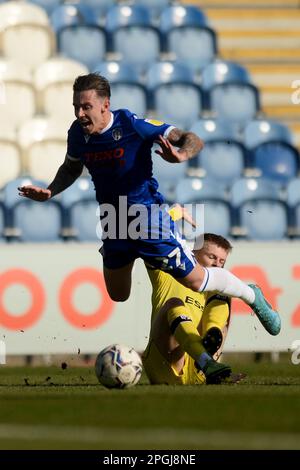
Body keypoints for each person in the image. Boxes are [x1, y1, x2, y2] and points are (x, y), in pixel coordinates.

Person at [18, 73, 281, 351]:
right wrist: (51, 190)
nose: (80, 113)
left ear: (105, 105)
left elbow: (192, 139)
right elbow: (71, 167)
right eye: (76, 107)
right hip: (114, 222)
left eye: (86, 107)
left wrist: (182, 154)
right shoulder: (77, 134)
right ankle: (148, 258)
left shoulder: (132, 125)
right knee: (119, 294)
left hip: (148, 218)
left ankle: (251, 295)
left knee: (196, 281)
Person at [143, 232, 243, 385]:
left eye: (222, 261)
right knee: (174, 303)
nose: (217, 264)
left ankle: (211, 341)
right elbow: (152, 236)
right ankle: (205, 359)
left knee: (224, 293)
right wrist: (175, 213)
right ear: (193, 253)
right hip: (163, 366)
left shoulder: (213, 291)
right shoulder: (168, 272)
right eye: (212, 257)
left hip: (199, 373)